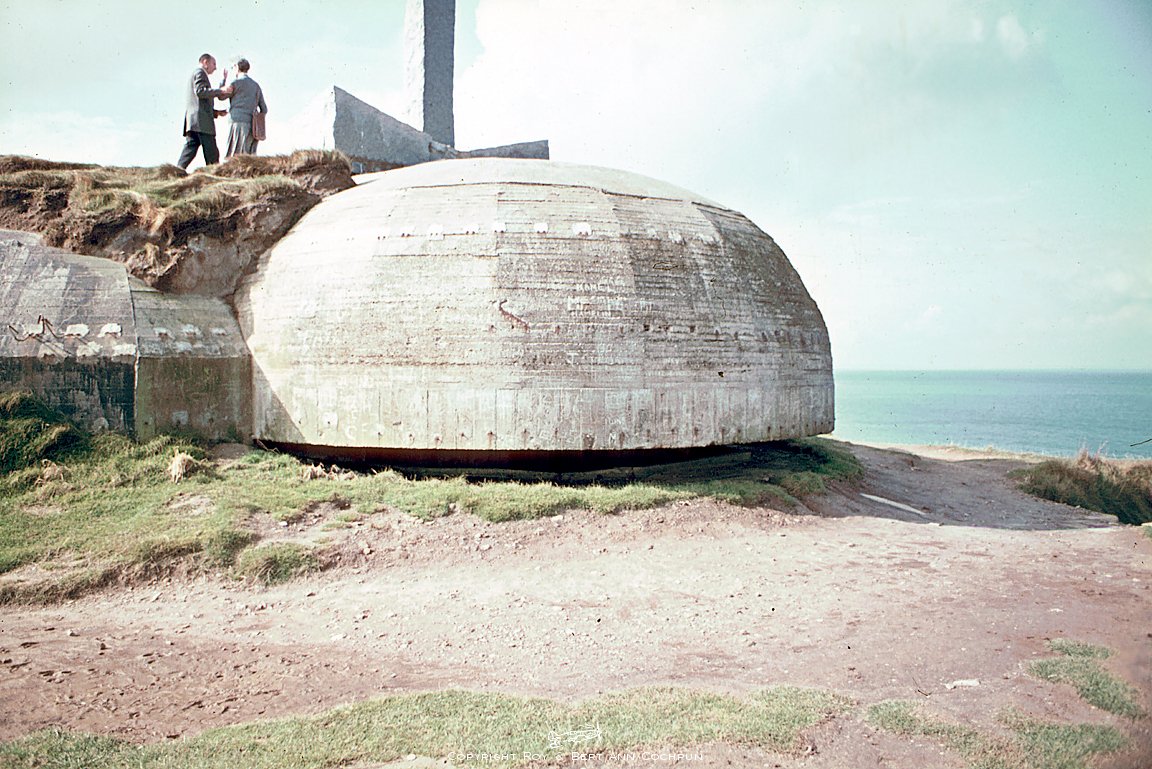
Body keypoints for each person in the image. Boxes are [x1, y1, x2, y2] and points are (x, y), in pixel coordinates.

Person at [176, 53, 231, 169]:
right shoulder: (200, 73)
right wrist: (220, 91)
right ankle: (214, 176)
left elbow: (200, 100)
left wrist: (216, 113)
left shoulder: (196, 73)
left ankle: (176, 172)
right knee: (212, 154)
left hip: (194, 121)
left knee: (190, 149)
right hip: (202, 123)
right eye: (213, 64)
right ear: (205, 62)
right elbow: (201, 92)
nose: (215, 67)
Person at [222, 58, 268, 158]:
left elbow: (221, 96)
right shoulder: (256, 86)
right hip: (252, 125)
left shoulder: (235, 83)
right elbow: (264, 109)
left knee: (235, 155)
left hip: (236, 122)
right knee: (249, 157)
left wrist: (223, 81)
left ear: (237, 68)